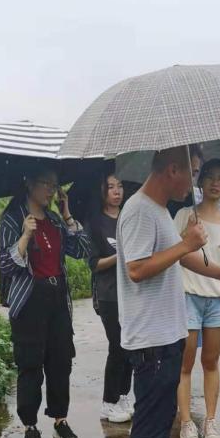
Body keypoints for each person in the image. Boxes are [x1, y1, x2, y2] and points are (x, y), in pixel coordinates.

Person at [117, 146, 220, 438]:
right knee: (150, 417)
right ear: (173, 170)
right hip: (149, 335)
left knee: (164, 412)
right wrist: (186, 242)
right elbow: (137, 269)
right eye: (194, 171)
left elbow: (179, 256)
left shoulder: (159, 210)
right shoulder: (139, 211)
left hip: (168, 330)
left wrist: (218, 271)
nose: (196, 181)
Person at [0, 167, 90, 438]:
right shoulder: (12, 218)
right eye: (46, 184)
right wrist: (25, 236)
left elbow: (81, 250)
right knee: (30, 364)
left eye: (54, 185)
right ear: (29, 184)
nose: (51, 190)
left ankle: (60, 421)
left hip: (57, 297)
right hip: (29, 300)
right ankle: (30, 426)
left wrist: (67, 214)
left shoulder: (54, 219)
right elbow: (5, 264)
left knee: (61, 361)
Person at [174, 159, 220, 438]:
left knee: (211, 362)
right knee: (185, 364)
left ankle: (211, 421)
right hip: (188, 297)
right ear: (200, 182)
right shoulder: (184, 215)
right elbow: (172, 252)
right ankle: (186, 423)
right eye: (210, 177)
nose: (216, 183)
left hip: (218, 301)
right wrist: (187, 234)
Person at [87, 172, 134, 423]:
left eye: (120, 186)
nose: (117, 191)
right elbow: (94, 264)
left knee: (131, 345)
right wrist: (120, 256)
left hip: (132, 291)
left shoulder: (130, 216)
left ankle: (123, 394)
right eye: (111, 187)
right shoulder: (95, 223)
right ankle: (108, 401)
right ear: (102, 192)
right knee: (117, 346)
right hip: (108, 294)